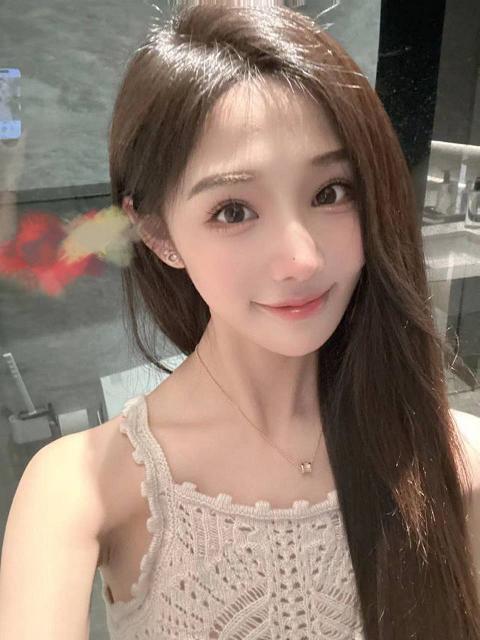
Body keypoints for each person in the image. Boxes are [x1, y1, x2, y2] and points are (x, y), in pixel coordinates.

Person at [1, 2, 480, 639]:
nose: (301, 259)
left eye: (330, 193)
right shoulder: (81, 488)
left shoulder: (449, 458)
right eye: (233, 210)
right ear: (158, 232)